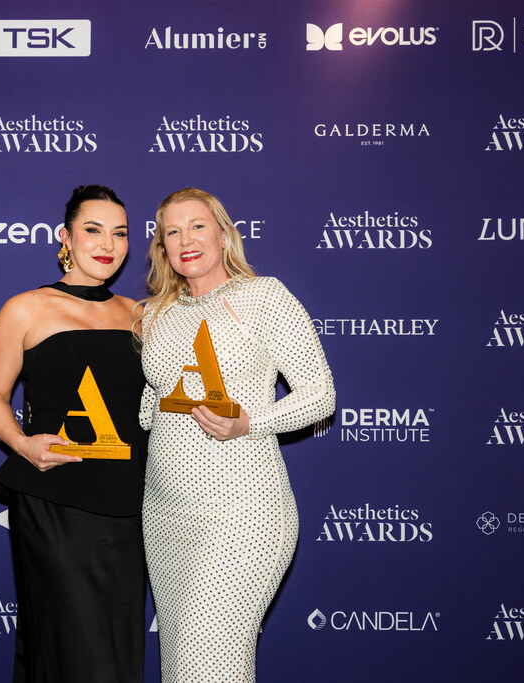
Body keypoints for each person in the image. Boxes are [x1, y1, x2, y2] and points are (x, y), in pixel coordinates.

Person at [139, 187, 335, 682]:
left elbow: (320, 394)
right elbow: (154, 405)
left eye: (197, 226)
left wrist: (250, 422)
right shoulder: (157, 314)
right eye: (172, 232)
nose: (186, 239)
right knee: (181, 667)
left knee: (208, 663)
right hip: (164, 514)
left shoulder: (263, 296)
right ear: (162, 246)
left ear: (224, 234)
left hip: (243, 511)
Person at [0, 185, 147, 683]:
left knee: (117, 649)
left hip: (130, 502)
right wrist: (22, 444)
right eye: (93, 230)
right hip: (56, 499)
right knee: (73, 647)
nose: (108, 244)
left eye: (119, 233)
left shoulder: (140, 314)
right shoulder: (25, 309)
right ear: (66, 237)